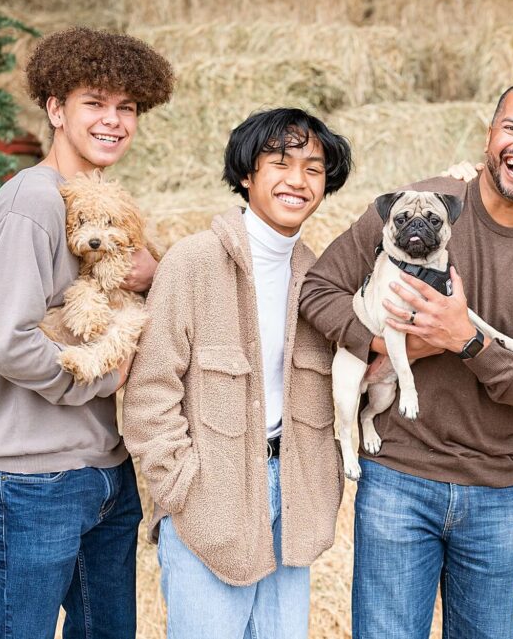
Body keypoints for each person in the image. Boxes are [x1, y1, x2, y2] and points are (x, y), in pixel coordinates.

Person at [300, 80, 513, 638]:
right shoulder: (418, 202)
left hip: (497, 492)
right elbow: (319, 290)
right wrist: (383, 346)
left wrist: (466, 339)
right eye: (512, 128)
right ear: (489, 134)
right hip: (397, 479)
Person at [0, 28, 172, 639]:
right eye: (94, 102)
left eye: (127, 107)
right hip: (29, 481)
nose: (114, 121)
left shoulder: (98, 204)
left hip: (104, 468)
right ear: (55, 109)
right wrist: (104, 374)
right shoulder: (33, 202)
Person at [121, 108, 351, 639]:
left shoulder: (318, 279)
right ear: (247, 175)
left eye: (313, 169)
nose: (298, 180)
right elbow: (150, 391)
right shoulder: (193, 263)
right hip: (210, 495)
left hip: (294, 502)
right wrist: (182, 487)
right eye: (280, 163)